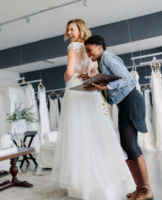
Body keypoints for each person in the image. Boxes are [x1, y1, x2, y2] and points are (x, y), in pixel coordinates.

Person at [51, 19, 134, 200]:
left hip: (76, 90)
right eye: (68, 30)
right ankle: (104, 174)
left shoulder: (73, 47)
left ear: (79, 29)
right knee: (96, 131)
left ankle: (82, 179)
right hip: (90, 89)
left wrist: (67, 77)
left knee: (78, 132)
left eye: (72, 29)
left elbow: (69, 71)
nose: (70, 33)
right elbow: (93, 72)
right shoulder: (89, 49)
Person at [84, 35, 154, 200]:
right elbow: (111, 80)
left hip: (131, 100)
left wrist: (103, 86)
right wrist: (92, 81)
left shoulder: (107, 57)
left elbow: (126, 78)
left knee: (130, 144)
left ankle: (146, 191)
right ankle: (140, 189)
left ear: (100, 46)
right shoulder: (102, 62)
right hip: (125, 102)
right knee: (127, 144)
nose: (88, 54)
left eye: (90, 50)